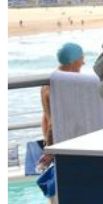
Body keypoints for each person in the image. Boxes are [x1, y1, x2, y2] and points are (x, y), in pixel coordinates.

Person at [37, 42, 86, 173]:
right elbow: (54, 122)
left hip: (60, 144)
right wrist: (50, 151)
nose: (83, 63)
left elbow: (45, 119)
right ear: (73, 61)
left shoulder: (48, 83)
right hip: (66, 146)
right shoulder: (64, 85)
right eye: (81, 59)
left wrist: (47, 146)